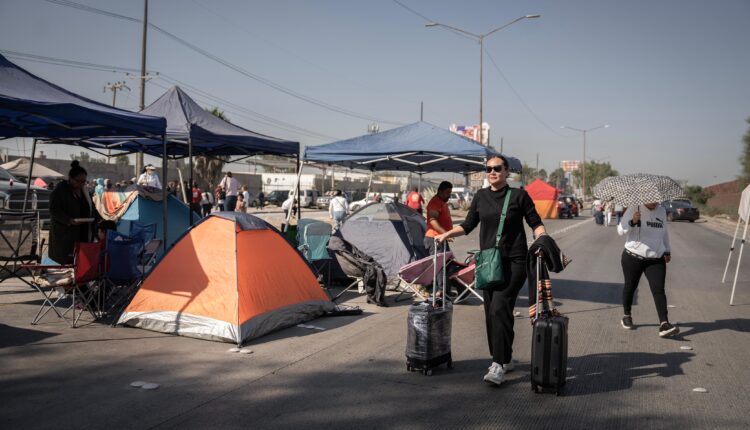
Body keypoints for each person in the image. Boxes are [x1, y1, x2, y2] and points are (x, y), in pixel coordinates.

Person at [435, 155, 546, 386]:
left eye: (497, 168)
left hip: (514, 262)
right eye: (488, 169)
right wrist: (446, 234)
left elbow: (535, 223)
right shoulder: (480, 197)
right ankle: (505, 359)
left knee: (499, 308)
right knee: (492, 313)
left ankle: (497, 364)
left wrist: (542, 238)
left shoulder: (518, 196)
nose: (492, 172)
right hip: (488, 263)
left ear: (507, 172)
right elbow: (467, 225)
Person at [617, 203, 679, 337]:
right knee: (630, 286)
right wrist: (633, 221)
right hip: (633, 256)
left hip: (656, 258)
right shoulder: (634, 208)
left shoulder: (661, 210)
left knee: (659, 290)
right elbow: (620, 230)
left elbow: (664, 231)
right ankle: (626, 315)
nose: (654, 201)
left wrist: (667, 250)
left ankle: (664, 324)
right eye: (651, 199)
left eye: (656, 199)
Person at [48, 161, 96, 264]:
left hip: (82, 234)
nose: (81, 184)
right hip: (65, 236)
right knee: (66, 264)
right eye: (78, 181)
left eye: (83, 181)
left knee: (80, 263)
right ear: (70, 178)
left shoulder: (85, 192)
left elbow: (92, 208)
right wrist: (68, 220)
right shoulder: (60, 191)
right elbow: (54, 210)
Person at [424, 181, 454, 297]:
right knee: (440, 266)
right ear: (440, 191)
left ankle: (445, 290)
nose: (449, 195)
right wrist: (446, 234)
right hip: (435, 238)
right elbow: (433, 221)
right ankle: (440, 292)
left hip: (441, 238)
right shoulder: (435, 203)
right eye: (447, 192)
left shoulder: (442, 202)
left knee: (446, 264)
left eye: (450, 192)